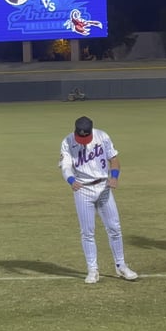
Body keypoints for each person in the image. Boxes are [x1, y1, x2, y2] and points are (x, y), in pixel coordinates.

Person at [59, 115, 138, 283]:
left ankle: (121, 266)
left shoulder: (102, 136)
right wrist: (71, 180)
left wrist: (114, 176)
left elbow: (114, 160)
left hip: (103, 187)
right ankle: (93, 270)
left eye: (86, 137)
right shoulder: (67, 141)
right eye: (81, 137)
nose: (83, 140)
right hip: (82, 189)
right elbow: (65, 166)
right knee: (87, 231)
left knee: (114, 228)